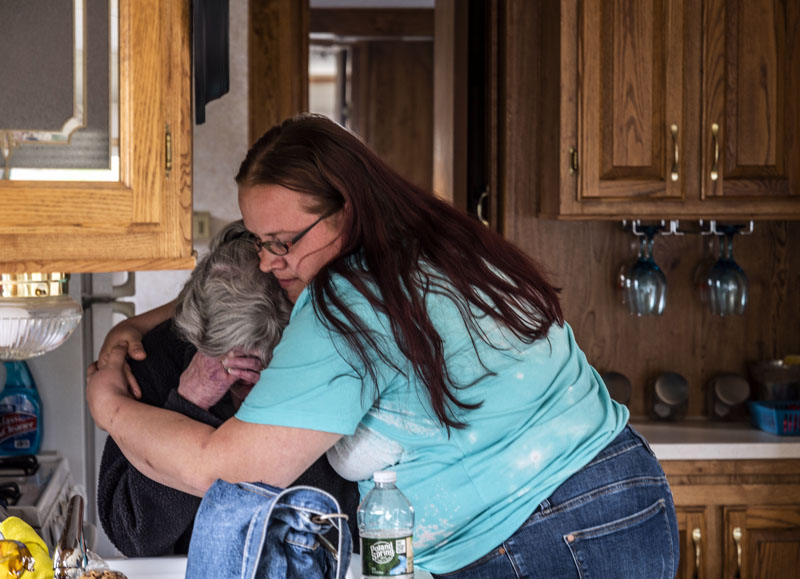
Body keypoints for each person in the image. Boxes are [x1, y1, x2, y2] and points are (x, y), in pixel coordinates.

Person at [88, 113, 679, 577]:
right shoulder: (435, 242)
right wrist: (135, 325)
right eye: (259, 243)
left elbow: (226, 469)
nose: (272, 263)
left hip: (548, 539)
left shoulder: (344, 305)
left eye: (283, 243)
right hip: (624, 494)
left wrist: (110, 406)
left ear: (345, 209)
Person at [96, 220, 359, 556]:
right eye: (229, 370)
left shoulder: (323, 359)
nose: (242, 388)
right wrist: (187, 404)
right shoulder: (155, 357)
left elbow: (345, 519)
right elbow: (132, 536)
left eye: (259, 369)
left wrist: (278, 399)